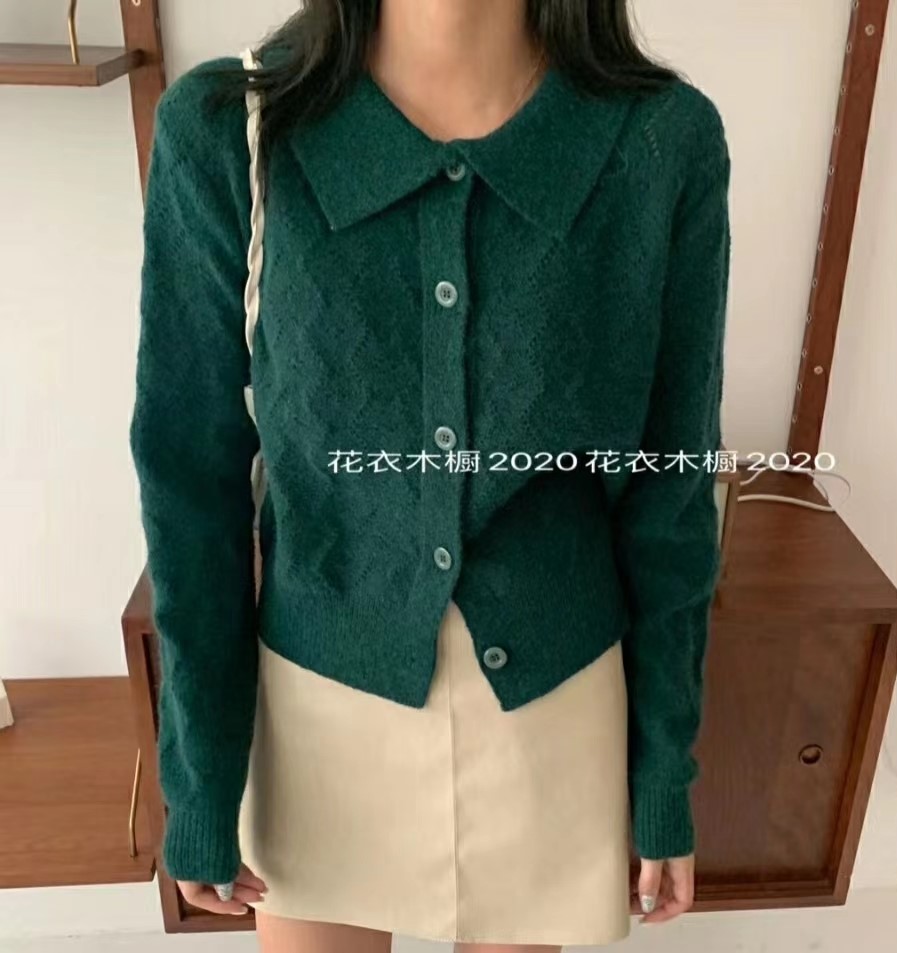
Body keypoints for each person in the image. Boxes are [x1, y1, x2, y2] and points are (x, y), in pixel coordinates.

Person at [129, 0, 732, 949]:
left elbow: (671, 487)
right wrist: (199, 777)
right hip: (315, 702)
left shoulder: (660, 142)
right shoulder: (230, 130)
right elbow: (189, 478)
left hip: (551, 710)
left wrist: (664, 773)